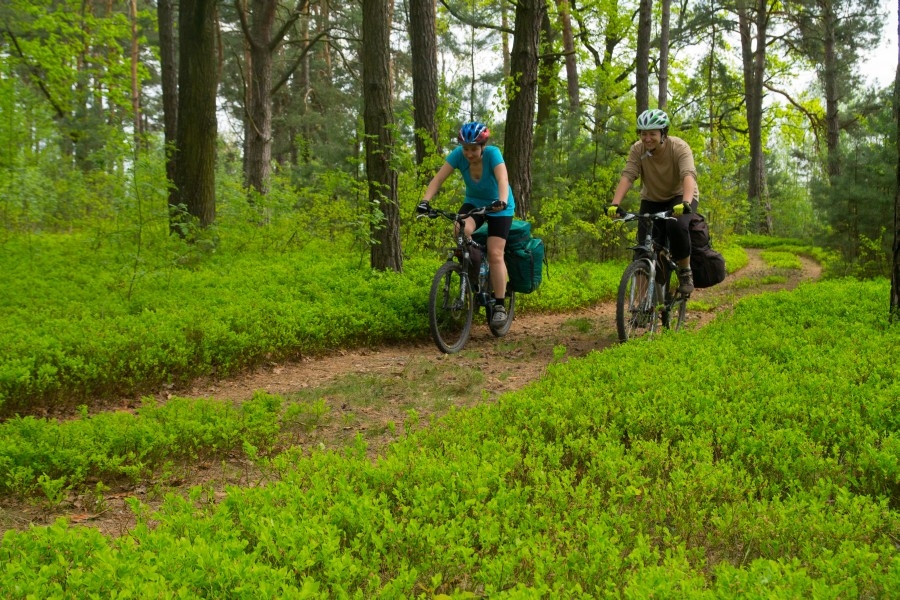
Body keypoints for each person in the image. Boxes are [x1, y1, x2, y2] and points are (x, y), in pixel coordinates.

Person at [607, 108, 699, 294]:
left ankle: (685, 271)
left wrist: (686, 202)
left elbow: (688, 175)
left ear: (663, 133)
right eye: (643, 133)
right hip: (652, 198)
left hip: (680, 196)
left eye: (652, 134)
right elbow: (628, 175)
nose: (647, 138)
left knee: (677, 227)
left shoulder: (679, 148)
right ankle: (640, 307)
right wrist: (614, 204)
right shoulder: (637, 149)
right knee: (642, 250)